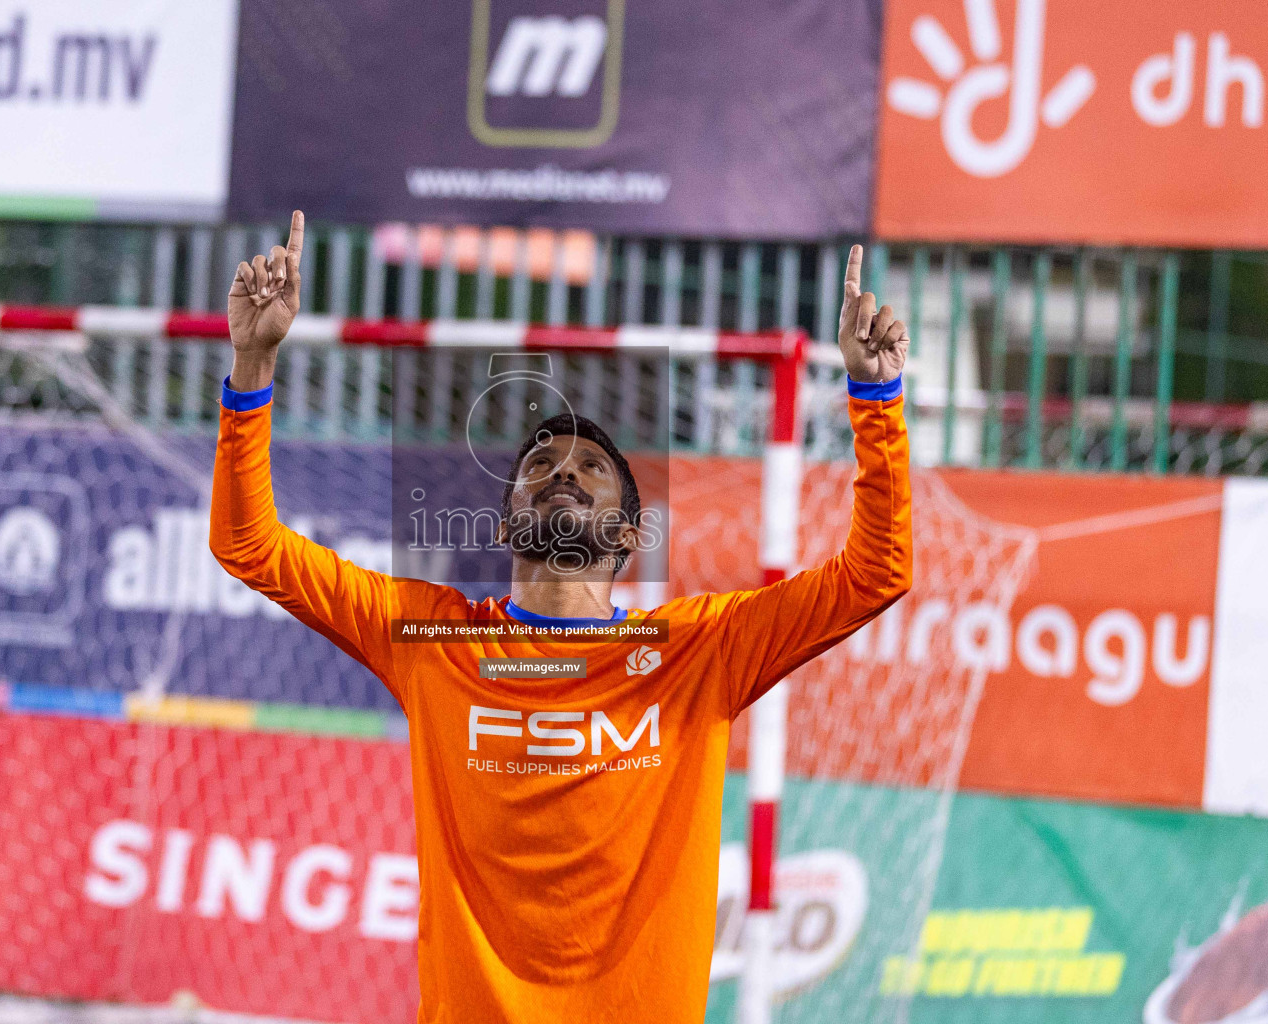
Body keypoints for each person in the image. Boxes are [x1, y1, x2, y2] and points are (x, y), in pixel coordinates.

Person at [211, 210, 912, 1024]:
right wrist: (253, 362)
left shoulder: (695, 649)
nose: (562, 474)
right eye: (539, 464)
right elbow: (247, 544)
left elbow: (877, 571)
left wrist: (875, 397)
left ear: (625, 534)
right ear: (507, 522)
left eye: (589, 467)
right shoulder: (431, 638)